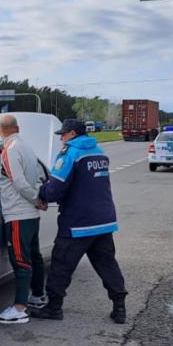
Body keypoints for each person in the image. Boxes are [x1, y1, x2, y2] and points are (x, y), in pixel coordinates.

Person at [29, 119, 128, 324]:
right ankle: (120, 308)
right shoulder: (99, 152)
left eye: (63, 135)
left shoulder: (70, 154)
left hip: (78, 222)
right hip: (103, 221)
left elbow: (56, 189)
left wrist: (40, 192)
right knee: (107, 264)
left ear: (72, 134)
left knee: (60, 266)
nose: (61, 139)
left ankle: (54, 308)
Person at [0, 115, 47, 325]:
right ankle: (38, 296)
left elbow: (19, 182)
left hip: (17, 213)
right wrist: (37, 200)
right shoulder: (26, 147)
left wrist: (36, 200)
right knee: (34, 256)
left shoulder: (10, 150)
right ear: (18, 128)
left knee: (20, 260)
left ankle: (19, 309)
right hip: (30, 216)